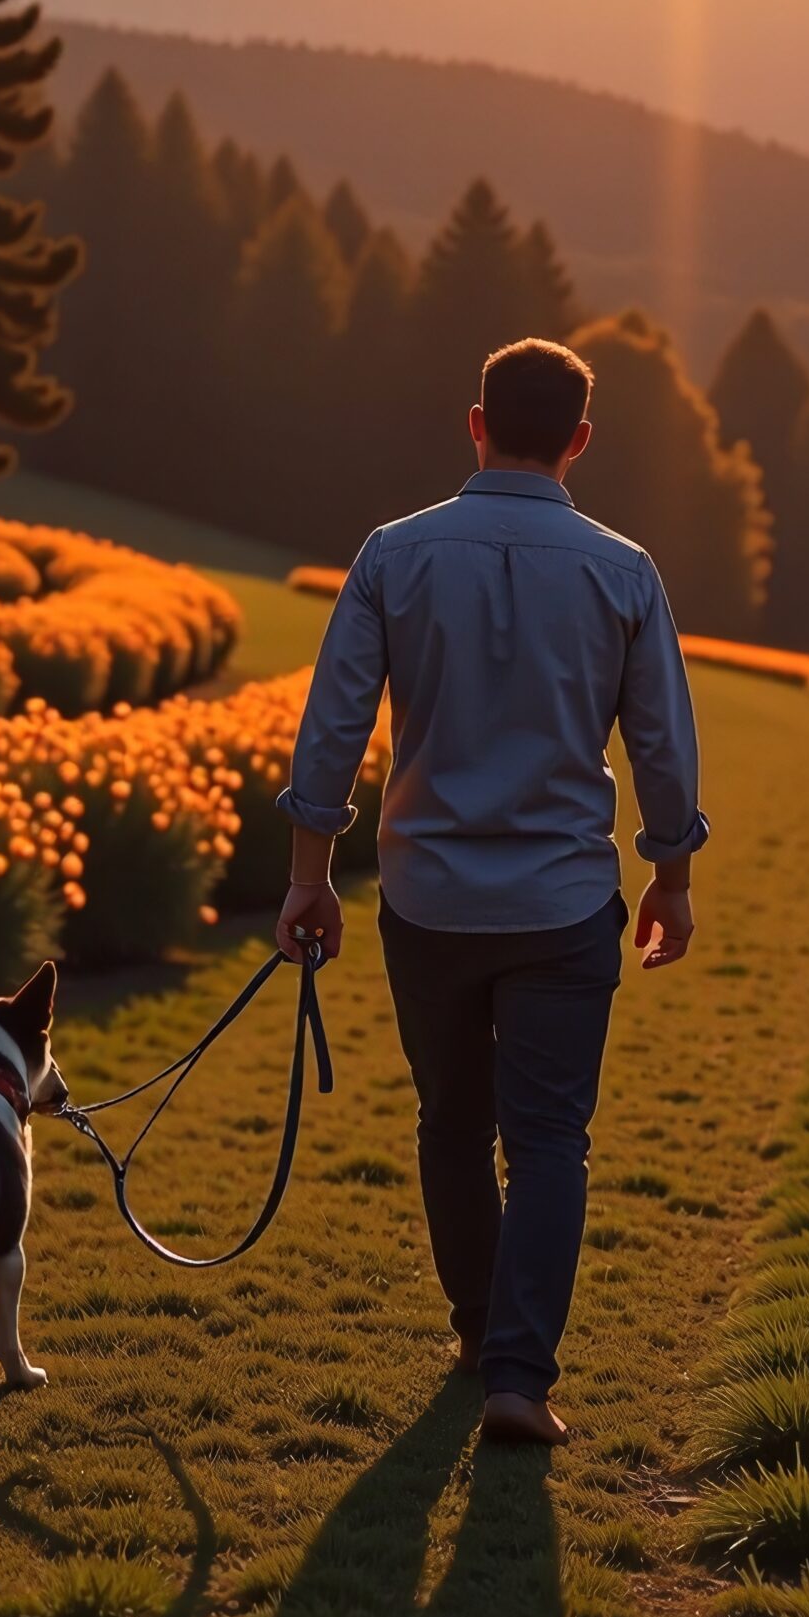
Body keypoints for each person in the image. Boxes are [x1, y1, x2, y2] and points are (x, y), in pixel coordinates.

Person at [276, 336, 708, 1447]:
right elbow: (660, 740)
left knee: (451, 1123)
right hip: (565, 901)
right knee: (552, 1137)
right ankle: (519, 1376)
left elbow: (332, 729)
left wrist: (310, 878)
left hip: (426, 895)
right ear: (579, 439)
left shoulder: (391, 553)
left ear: (474, 423)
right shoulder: (625, 569)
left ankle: (476, 1335)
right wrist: (670, 872)